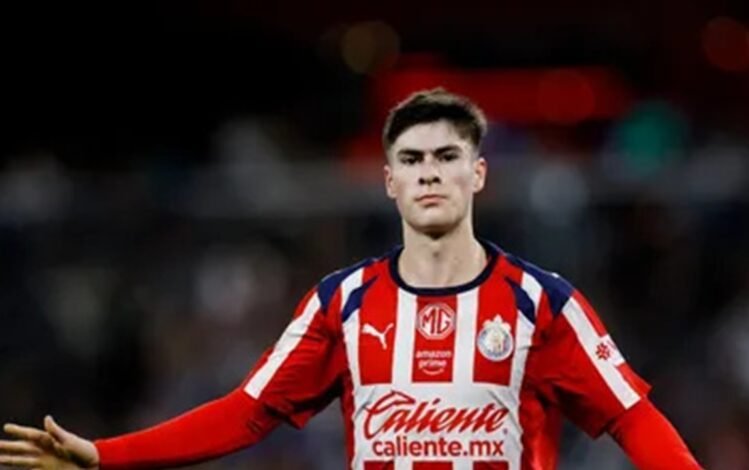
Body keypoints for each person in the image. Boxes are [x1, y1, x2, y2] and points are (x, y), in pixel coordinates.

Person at [0, 89, 703, 470]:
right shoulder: (342, 303)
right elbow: (247, 412)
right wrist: (107, 456)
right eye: (412, 159)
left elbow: (633, 419)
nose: (429, 172)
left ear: (478, 174)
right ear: (390, 180)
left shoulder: (541, 303)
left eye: (447, 156)